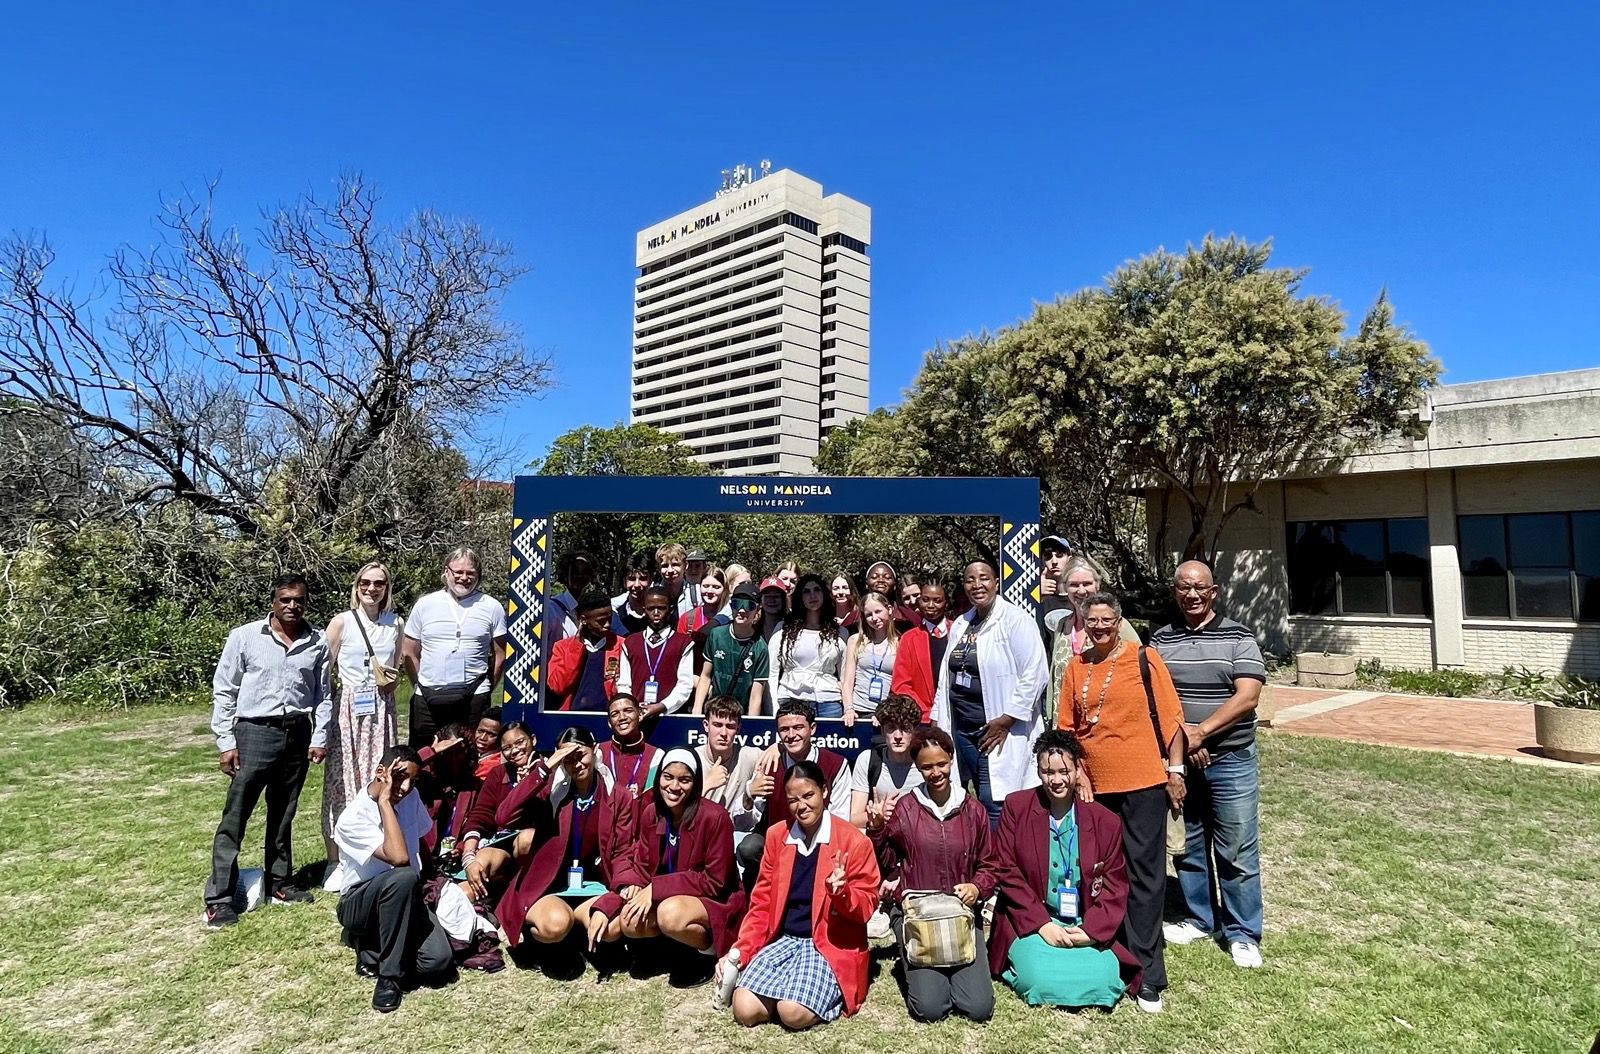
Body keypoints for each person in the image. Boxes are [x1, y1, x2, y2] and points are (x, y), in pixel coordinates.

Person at [1058, 592, 1187, 1013]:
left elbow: (1171, 719)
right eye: (1092, 620)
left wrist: (1176, 772)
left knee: (1144, 875)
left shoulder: (1143, 658)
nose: (1099, 627)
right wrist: (1078, 774)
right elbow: (1067, 728)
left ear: (1118, 622)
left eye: (1106, 620)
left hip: (1143, 782)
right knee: (1102, 873)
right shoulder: (1076, 668)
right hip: (1095, 787)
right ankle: (1110, 951)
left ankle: (1148, 972)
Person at [1151, 560, 1268, 969]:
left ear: (1213, 591)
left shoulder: (1239, 637)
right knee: (1189, 843)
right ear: (1175, 592)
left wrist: (1201, 733)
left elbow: (1247, 697)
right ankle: (1201, 918)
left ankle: (1243, 932)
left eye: (1200, 587)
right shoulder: (1161, 640)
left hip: (1231, 758)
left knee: (1236, 846)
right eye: (1184, 587)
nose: (1192, 595)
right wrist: (1185, 743)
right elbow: (1156, 698)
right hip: (1181, 758)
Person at [204, 573, 332, 928]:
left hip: (297, 733)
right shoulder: (244, 637)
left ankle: (279, 882)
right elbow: (224, 690)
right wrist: (226, 742)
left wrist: (318, 737)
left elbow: (323, 695)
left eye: (299, 600)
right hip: (254, 732)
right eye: (285, 600)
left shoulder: (318, 641)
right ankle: (220, 897)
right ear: (273, 602)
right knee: (236, 816)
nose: (292, 606)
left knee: (284, 813)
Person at [720, 760, 881, 1029]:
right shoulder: (777, 836)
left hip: (828, 945)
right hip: (784, 939)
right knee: (744, 1009)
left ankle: (802, 996)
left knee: (792, 1014)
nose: (801, 806)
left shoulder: (854, 841)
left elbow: (866, 907)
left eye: (808, 796)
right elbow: (761, 904)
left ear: (824, 791)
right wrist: (741, 950)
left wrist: (842, 894)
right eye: (793, 800)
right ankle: (787, 990)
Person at [990, 731, 1137, 1010]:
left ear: (1077, 770)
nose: (1056, 780)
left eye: (1064, 771)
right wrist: (1042, 925)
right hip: (1032, 922)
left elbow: (1115, 886)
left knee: (1105, 979)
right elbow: (1006, 869)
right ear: (1038, 771)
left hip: (1082, 923)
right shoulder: (1017, 807)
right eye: (1048, 772)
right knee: (1039, 978)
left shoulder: (1105, 822)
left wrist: (1091, 931)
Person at [867, 726, 999, 1023]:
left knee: (978, 1008)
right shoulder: (906, 808)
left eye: (941, 764)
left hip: (960, 915)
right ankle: (915, 963)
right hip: (920, 916)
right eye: (927, 767)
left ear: (951, 758)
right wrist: (877, 830)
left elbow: (990, 864)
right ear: (917, 767)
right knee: (930, 1008)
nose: (935, 772)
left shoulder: (973, 810)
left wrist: (977, 888)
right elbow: (889, 864)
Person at [590, 749, 747, 967]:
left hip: (715, 899)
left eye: (684, 780)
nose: (674, 786)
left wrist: (656, 888)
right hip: (670, 896)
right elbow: (642, 869)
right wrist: (607, 905)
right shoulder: (651, 813)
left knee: (669, 913)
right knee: (629, 921)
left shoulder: (715, 818)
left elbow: (714, 882)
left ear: (696, 783)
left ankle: (702, 957)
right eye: (668, 777)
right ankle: (668, 951)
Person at [330, 745, 454, 1012]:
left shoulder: (411, 797)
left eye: (413, 780)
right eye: (400, 777)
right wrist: (384, 803)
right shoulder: (352, 818)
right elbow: (399, 858)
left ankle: (370, 948)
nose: (406, 787)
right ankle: (389, 977)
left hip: (406, 897)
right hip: (361, 903)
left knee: (437, 962)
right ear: (380, 772)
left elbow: (420, 839)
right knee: (403, 876)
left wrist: (433, 876)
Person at [494, 727, 635, 957]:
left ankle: (577, 931)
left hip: (593, 885)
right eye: (568, 759)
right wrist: (545, 768)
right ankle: (549, 933)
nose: (576, 764)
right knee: (555, 925)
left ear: (595, 750)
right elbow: (504, 817)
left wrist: (620, 889)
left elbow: (623, 850)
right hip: (550, 884)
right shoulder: (551, 791)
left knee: (612, 927)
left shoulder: (618, 796)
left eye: (581, 755)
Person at [929, 560, 1050, 824]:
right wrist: (938, 717)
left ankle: (1000, 851)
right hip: (963, 729)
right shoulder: (961, 623)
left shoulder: (1015, 620)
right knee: (970, 798)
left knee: (995, 800)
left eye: (984, 578)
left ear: (996, 582)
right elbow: (945, 678)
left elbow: (1036, 673)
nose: (977, 585)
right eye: (970, 580)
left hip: (997, 729)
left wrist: (1007, 719)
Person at [321, 562, 402, 886]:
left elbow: (395, 668)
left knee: (377, 778)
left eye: (379, 583)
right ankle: (335, 859)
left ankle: (374, 852)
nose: (372, 589)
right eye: (366, 582)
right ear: (357, 586)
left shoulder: (395, 623)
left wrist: (389, 685)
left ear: (386, 588)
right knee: (341, 781)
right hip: (349, 709)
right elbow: (323, 671)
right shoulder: (342, 622)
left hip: (381, 709)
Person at [401, 546, 508, 746]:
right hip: (427, 695)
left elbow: (500, 654)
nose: (464, 578)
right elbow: (409, 651)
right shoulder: (425, 604)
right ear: (446, 571)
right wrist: (419, 684)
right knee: (423, 754)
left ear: (478, 575)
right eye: (458, 572)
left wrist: (486, 688)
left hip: (473, 695)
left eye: (470, 573)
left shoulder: (492, 606)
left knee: (470, 752)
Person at [739, 701, 851, 887]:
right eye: (784, 729)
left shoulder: (836, 765)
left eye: (798, 728)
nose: (791, 735)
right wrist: (748, 794)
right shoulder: (769, 764)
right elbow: (747, 823)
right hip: (777, 840)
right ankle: (756, 895)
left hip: (820, 840)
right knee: (749, 848)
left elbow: (840, 817)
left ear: (812, 729)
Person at [1045, 554, 1141, 710]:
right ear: (1065, 587)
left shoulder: (1117, 626)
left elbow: (1139, 666)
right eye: (1074, 585)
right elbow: (1055, 677)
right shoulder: (1062, 626)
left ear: (1097, 586)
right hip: (1063, 717)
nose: (1081, 590)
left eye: (1087, 584)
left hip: (1106, 715)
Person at [693, 696, 766, 847]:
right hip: (697, 835)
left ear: (738, 729)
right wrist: (706, 785)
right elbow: (679, 813)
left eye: (730, 726)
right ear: (706, 725)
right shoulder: (692, 760)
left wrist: (776, 748)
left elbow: (784, 754)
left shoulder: (750, 756)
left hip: (735, 836)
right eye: (717, 725)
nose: (724, 733)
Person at [617, 585, 697, 720]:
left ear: (671, 609)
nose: (656, 613)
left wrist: (662, 706)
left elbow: (685, 685)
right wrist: (632, 706)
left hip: (671, 716)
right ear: (644, 610)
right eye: (650, 608)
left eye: (661, 608)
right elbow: (624, 683)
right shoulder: (630, 643)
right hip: (636, 716)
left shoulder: (683, 643)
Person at [772, 574, 846, 719]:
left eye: (817, 590)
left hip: (829, 703)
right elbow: (772, 673)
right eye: (806, 591)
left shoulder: (841, 633)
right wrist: (774, 708)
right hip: (790, 700)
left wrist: (848, 707)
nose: (812, 596)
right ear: (800, 597)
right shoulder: (783, 629)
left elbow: (844, 676)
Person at [692, 583, 770, 716]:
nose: (741, 610)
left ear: (757, 610)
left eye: (749, 605)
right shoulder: (716, 635)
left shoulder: (760, 647)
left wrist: (752, 722)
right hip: (714, 710)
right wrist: (697, 709)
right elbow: (705, 675)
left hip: (740, 714)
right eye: (736, 604)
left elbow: (756, 695)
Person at [848, 694, 925, 827]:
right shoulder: (868, 760)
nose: (898, 736)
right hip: (881, 835)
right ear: (882, 731)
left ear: (914, 731)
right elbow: (853, 820)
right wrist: (878, 815)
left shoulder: (925, 763)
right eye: (891, 728)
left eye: (905, 729)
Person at [546, 589, 623, 712]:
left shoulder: (621, 645)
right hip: (572, 716)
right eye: (601, 621)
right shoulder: (562, 647)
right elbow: (557, 686)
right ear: (583, 619)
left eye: (610, 619)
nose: (607, 625)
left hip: (607, 716)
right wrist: (576, 647)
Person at [839, 592, 899, 728]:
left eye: (878, 612)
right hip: (857, 711)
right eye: (869, 615)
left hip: (885, 713)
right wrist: (848, 709)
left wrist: (885, 712)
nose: (874, 618)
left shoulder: (899, 643)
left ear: (889, 610)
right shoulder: (855, 641)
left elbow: (899, 685)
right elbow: (847, 682)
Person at [597, 693, 663, 800]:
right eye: (615, 714)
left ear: (640, 715)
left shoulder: (656, 755)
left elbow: (651, 799)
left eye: (628, 711)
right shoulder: (598, 752)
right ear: (609, 723)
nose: (622, 717)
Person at [546, 551, 597, 644]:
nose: (580, 576)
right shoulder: (551, 609)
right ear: (565, 575)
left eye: (585, 571)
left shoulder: (594, 611)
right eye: (575, 571)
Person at [1038, 535, 1075, 633]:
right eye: (1048, 557)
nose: (1054, 561)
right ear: (1041, 562)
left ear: (1069, 559)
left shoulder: (1080, 594)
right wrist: (1036, 596)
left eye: (1059, 555)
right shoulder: (1035, 596)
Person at [611, 552, 655, 635]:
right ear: (624, 581)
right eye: (632, 579)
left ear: (650, 580)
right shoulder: (617, 617)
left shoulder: (660, 613)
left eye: (643, 579)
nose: (637, 585)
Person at [678, 565, 728, 637]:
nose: (710, 591)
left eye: (716, 587)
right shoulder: (687, 619)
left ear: (724, 589)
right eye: (706, 586)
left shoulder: (731, 618)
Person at [656, 542, 690, 617]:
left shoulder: (696, 595)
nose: (670, 570)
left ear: (685, 566)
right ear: (658, 568)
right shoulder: (651, 595)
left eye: (675, 564)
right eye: (665, 566)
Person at [757, 576, 788, 641]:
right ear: (761, 600)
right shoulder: (753, 628)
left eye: (776, 596)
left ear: (783, 600)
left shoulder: (792, 628)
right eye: (767, 596)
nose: (772, 600)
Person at [682, 547, 711, 614]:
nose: (693, 570)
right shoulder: (678, 589)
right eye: (689, 566)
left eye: (697, 566)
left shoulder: (711, 589)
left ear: (704, 567)